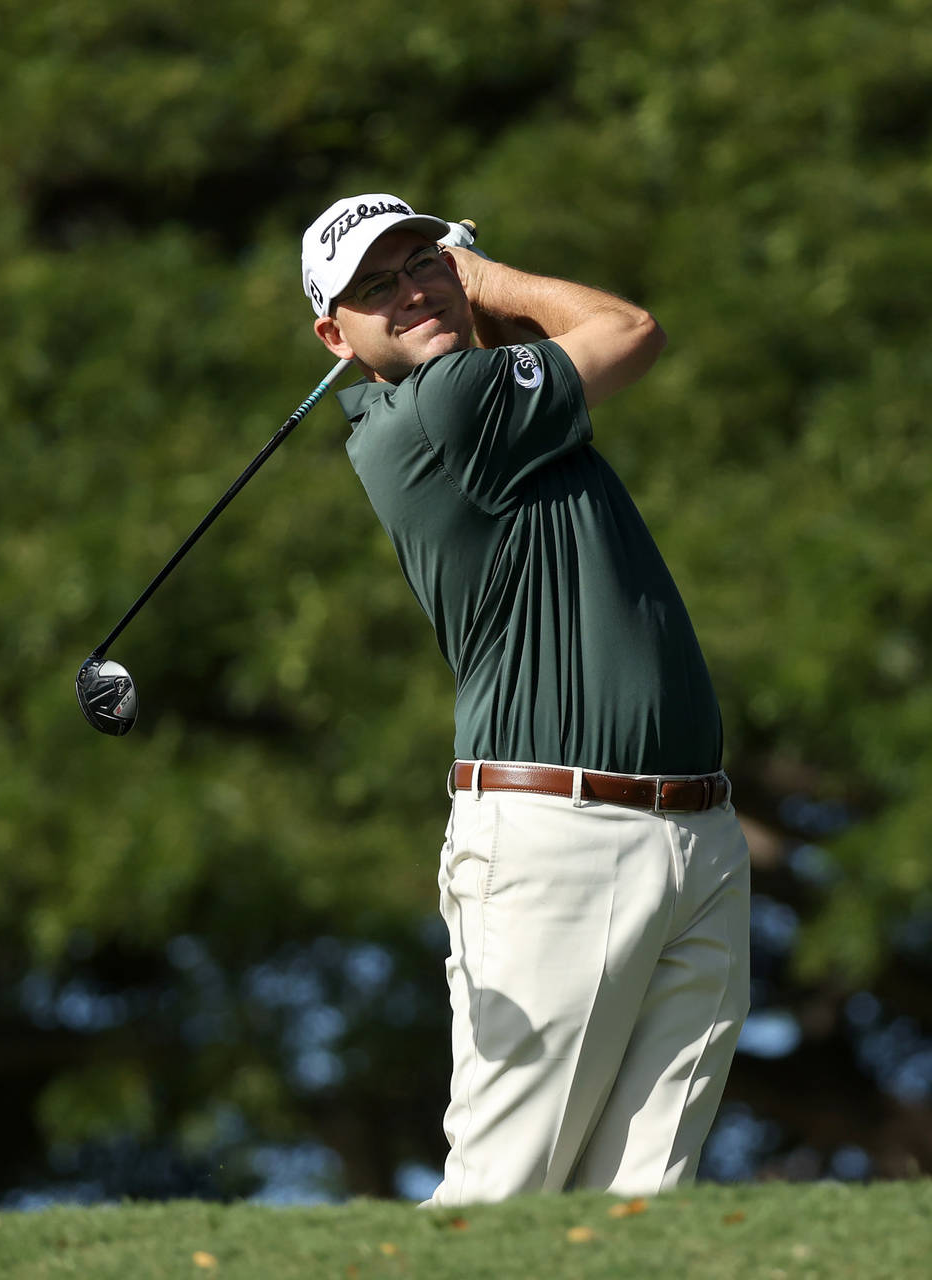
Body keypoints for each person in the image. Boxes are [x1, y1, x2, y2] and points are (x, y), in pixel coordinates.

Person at [299, 194, 751, 1206]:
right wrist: (483, 275)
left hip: (697, 834)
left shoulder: (465, 398)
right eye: (378, 284)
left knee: (636, 1209)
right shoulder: (449, 403)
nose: (413, 289)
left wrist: (456, 300)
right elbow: (628, 329)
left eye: (423, 264)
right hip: (561, 835)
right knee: (500, 1200)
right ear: (335, 335)